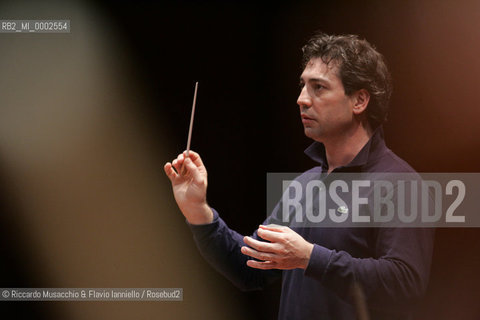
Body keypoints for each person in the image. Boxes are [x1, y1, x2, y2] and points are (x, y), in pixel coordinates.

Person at [164, 32, 434, 320]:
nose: (301, 99)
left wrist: (309, 257)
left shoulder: (401, 184)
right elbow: (248, 270)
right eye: (303, 86)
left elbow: (406, 284)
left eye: (318, 88)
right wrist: (198, 210)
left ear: (359, 101)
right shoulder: (303, 185)